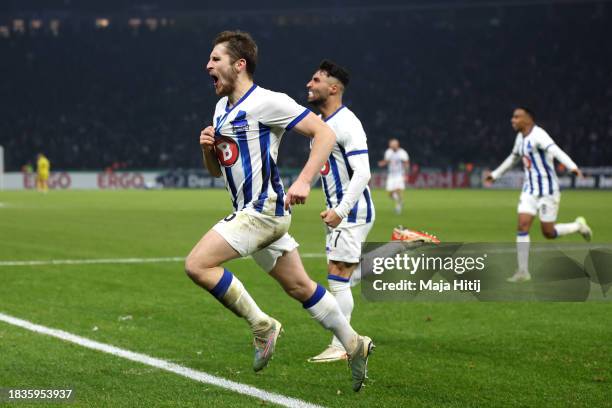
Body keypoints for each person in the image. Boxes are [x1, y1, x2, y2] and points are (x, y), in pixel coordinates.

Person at [188, 30, 373, 392]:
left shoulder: (267, 101)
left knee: (198, 264)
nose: (207, 65)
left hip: (263, 212)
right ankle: (354, 343)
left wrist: (304, 181)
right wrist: (207, 148)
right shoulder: (221, 109)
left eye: (215, 59)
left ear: (239, 64)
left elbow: (324, 134)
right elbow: (216, 170)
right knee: (301, 286)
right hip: (251, 213)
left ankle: (262, 326)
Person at [304, 60, 375, 363]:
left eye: (316, 80)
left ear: (333, 88)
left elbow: (363, 173)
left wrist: (341, 211)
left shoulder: (347, 123)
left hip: (351, 211)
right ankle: (398, 251)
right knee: (343, 275)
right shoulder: (322, 125)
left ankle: (342, 345)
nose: (309, 84)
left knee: (338, 276)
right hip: (341, 212)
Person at [486, 107, 592, 282]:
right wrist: (495, 174)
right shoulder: (520, 138)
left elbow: (556, 150)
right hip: (529, 190)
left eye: (516, 117)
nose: (512, 120)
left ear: (528, 119)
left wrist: (572, 166)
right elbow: (513, 158)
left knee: (548, 233)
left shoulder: (539, 135)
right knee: (522, 226)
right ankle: (522, 271)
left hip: (548, 191)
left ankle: (578, 226)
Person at [378, 139, 409, 214]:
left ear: (397, 145)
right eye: (391, 144)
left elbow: (406, 163)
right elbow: (387, 161)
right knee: (390, 194)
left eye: (393, 144)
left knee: (398, 189)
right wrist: (382, 163)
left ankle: (398, 207)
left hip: (400, 174)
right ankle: (400, 201)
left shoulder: (402, 153)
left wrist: (406, 174)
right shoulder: (388, 152)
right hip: (391, 175)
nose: (391, 146)